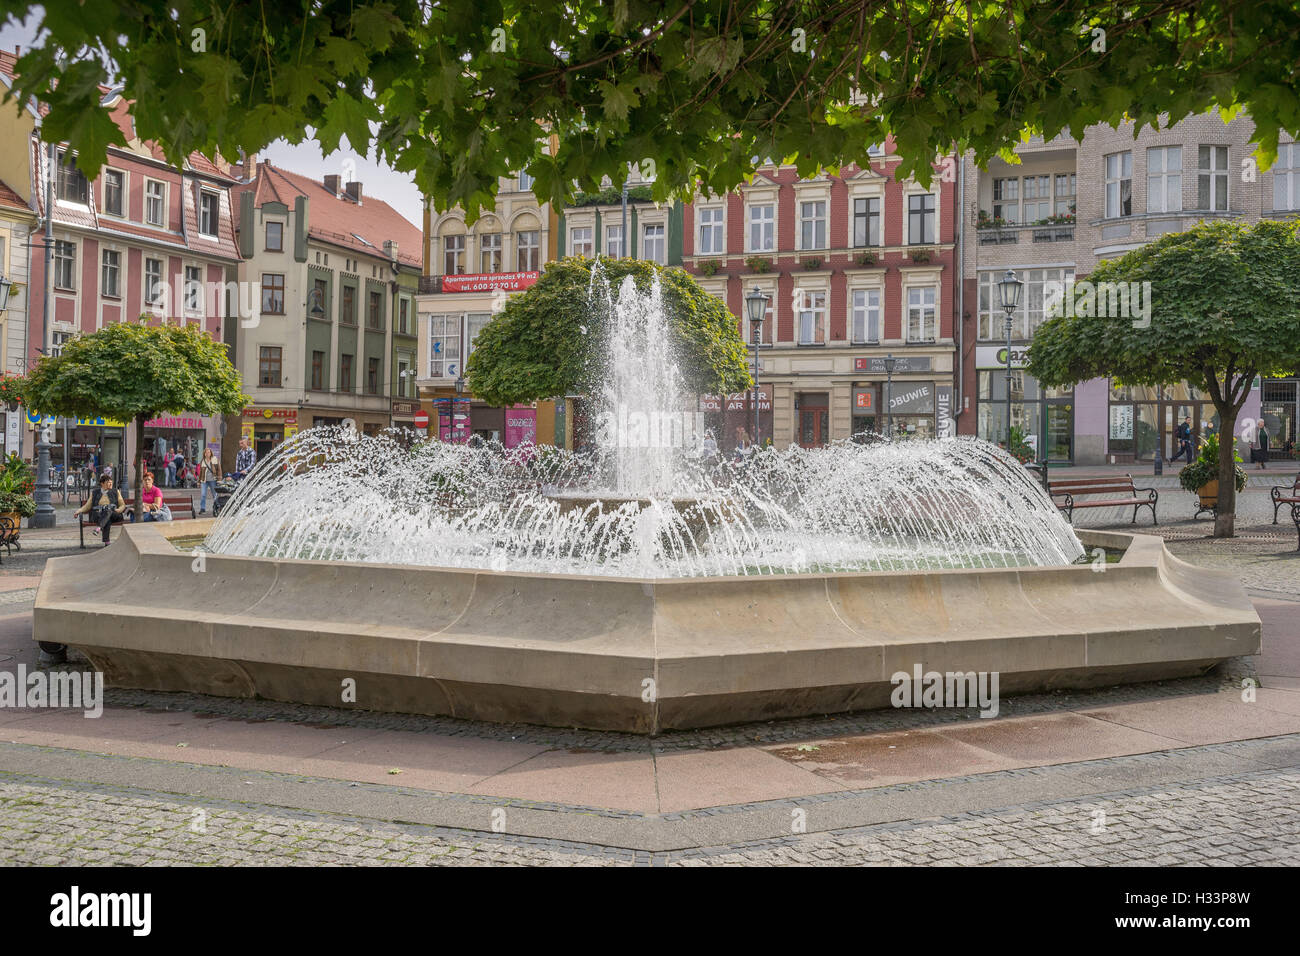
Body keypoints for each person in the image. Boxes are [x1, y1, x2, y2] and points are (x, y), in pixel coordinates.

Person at [74, 474, 128, 545]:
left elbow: (122, 504)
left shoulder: (116, 491)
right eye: (108, 482)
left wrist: (118, 510)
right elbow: (87, 506)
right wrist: (78, 511)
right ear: (102, 483)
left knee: (108, 511)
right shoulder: (95, 493)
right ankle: (106, 541)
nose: (111, 484)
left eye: (111, 482)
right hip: (99, 515)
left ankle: (99, 527)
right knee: (107, 519)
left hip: (114, 514)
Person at [198, 448, 219, 514]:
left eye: (209, 452)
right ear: (204, 454)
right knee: (203, 494)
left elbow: (219, 469)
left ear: (211, 453)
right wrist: (199, 481)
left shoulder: (215, 459)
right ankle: (202, 508)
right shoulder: (203, 461)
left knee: (214, 494)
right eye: (206, 452)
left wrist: (219, 479)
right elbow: (201, 472)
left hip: (213, 480)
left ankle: (216, 507)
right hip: (204, 481)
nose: (207, 454)